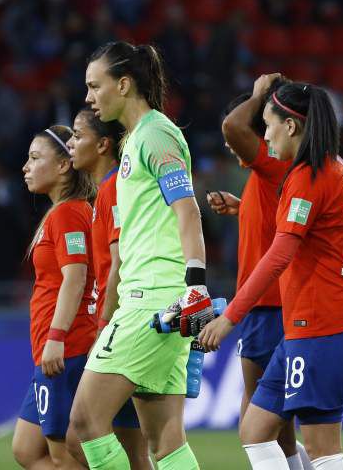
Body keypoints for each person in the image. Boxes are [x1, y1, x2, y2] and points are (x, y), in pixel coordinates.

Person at [200, 82, 343, 470]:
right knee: (255, 429)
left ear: (291, 127)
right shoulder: (337, 169)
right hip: (308, 324)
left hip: (321, 324)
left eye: (269, 124)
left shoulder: (307, 177)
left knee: (324, 448)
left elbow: (278, 255)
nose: (266, 135)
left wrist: (229, 318)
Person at [70, 41, 212, 470]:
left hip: (153, 300)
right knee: (165, 443)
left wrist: (196, 285)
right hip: (157, 299)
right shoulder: (137, 139)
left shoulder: (156, 133)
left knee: (85, 419)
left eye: (96, 86)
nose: (89, 97)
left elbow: (187, 208)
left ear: (125, 84)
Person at [205, 74, 312, 470]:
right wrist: (242, 207)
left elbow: (232, 126)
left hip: (268, 305)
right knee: (278, 426)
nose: (231, 144)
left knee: (255, 423)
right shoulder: (264, 178)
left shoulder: (270, 166)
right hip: (269, 305)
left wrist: (256, 95)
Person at [67, 109, 152, 469]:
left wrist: (104, 328)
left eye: (77, 135)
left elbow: (119, 264)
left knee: (79, 433)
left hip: (127, 322)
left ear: (103, 144)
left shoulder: (115, 188)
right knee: (138, 450)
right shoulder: (108, 190)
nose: (71, 143)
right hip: (137, 317)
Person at [12, 124, 97, 470]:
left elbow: (75, 278)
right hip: (57, 346)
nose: (25, 166)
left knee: (63, 455)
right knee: (27, 449)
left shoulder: (68, 214)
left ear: (64, 166)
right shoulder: (66, 212)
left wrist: (56, 337)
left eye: (35, 158)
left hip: (67, 346)